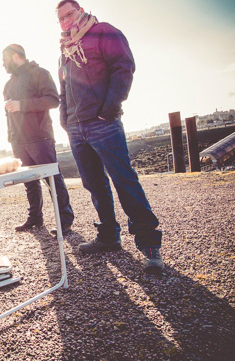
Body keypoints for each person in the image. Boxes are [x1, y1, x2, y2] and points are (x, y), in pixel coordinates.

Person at [56, 1, 164, 274]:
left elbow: (123, 67)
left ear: (80, 10)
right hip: (77, 128)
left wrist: (109, 110)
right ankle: (108, 236)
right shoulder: (64, 50)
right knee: (94, 184)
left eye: (70, 14)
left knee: (124, 180)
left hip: (103, 123)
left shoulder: (104, 32)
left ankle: (150, 246)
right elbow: (64, 88)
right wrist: (65, 120)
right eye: (61, 18)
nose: (66, 21)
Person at [2, 44, 75, 235]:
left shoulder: (39, 73)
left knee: (52, 179)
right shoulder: (8, 84)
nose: (2, 64)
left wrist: (21, 105)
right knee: (29, 182)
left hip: (39, 137)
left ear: (16, 56)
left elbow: (53, 100)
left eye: (5, 59)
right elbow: (9, 112)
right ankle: (35, 218)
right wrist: (11, 137)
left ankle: (65, 220)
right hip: (18, 140)